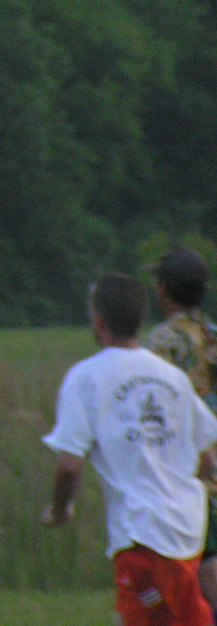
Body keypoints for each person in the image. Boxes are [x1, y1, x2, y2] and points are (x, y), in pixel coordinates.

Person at [43, 272, 217, 626]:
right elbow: (207, 459)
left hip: (141, 532)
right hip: (187, 529)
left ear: (99, 320)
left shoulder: (86, 377)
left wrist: (60, 510)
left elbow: (70, 466)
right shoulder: (171, 377)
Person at [142, 247, 217, 612]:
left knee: (200, 563)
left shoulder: (161, 341)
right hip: (213, 457)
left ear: (164, 290)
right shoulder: (212, 334)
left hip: (185, 464)